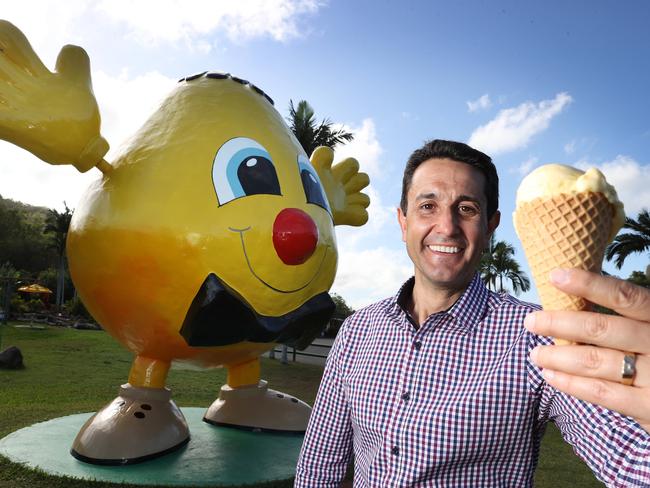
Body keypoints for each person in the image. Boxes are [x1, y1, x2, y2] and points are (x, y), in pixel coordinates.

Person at [294, 139, 650, 487]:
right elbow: (320, 465)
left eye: (466, 209)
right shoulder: (358, 331)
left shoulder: (539, 336)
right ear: (403, 222)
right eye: (427, 206)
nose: (446, 226)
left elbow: (629, 457)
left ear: (490, 226)